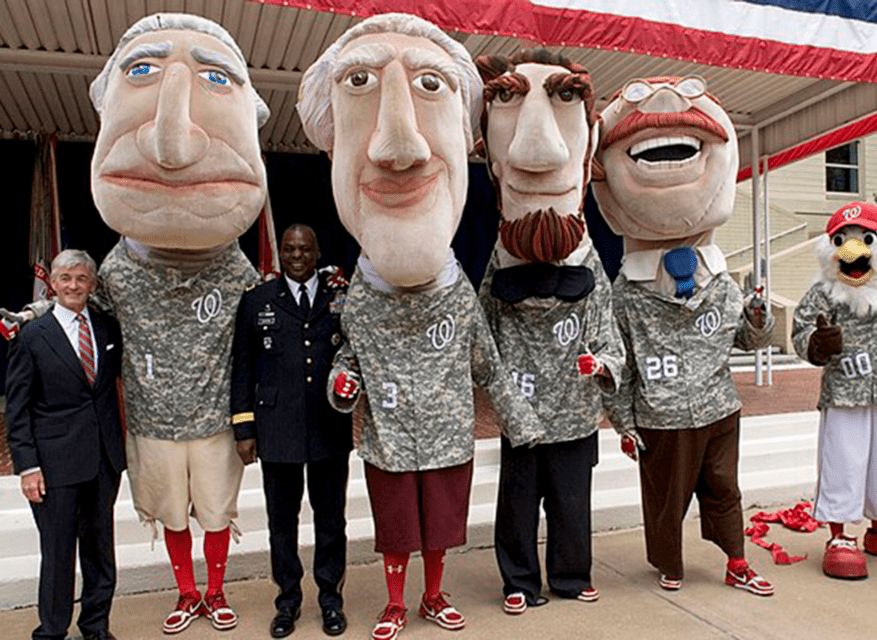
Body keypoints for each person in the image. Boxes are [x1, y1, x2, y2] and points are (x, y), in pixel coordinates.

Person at [4, 13, 271, 634]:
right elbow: (77, 314)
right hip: (150, 423)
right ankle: (185, 593)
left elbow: (269, 320)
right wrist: (37, 316)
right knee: (171, 516)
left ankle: (215, 590)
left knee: (213, 514)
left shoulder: (236, 274)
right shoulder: (116, 273)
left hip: (211, 420)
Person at [297, 13, 541, 640]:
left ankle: (435, 595)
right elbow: (347, 359)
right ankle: (395, 602)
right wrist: (341, 385)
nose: (397, 146)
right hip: (388, 439)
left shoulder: (458, 296)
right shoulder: (361, 298)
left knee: (441, 527)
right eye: (360, 83)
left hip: (446, 435)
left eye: (430, 87)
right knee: (396, 531)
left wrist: (524, 424)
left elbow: (485, 361)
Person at [593, 76, 774, 596]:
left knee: (724, 489)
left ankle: (736, 560)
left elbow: (747, 340)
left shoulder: (720, 280)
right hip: (661, 414)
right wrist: (623, 423)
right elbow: (615, 361)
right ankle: (670, 562)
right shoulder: (624, 293)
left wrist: (759, 317)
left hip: (719, 406)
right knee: (665, 500)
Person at [474, 48, 625, 614]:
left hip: (574, 413)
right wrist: (501, 394)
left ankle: (569, 573)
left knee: (570, 501)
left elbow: (608, 336)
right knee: (516, 503)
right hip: (523, 411)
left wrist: (604, 366)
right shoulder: (499, 262)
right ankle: (518, 580)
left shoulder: (588, 263)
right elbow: (482, 334)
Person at [791, 202, 877, 579]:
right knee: (843, 463)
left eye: (865, 239)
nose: (853, 251)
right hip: (844, 395)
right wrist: (817, 344)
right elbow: (801, 333)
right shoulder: (824, 294)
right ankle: (839, 535)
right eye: (842, 241)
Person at [230, 224, 352, 638]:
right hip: (276, 428)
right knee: (282, 522)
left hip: (328, 427)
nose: (296, 255)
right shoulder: (257, 300)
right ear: (280, 252)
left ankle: (330, 600)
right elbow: (242, 365)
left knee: (331, 519)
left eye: (304, 248)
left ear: (317, 253)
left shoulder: (340, 298)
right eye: (289, 249)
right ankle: (287, 602)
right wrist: (243, 427)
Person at [5, 250, 125, 640]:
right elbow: (18, 409)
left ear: (92, 284)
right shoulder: (31, 336)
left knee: (100, 555)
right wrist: (27, 466)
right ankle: (52, 631)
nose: (74, 286)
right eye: (66, 278)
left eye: (81, 278)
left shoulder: (107, 328)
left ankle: (96, 627)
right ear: (52, 283)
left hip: (103, 462)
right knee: (57, 556)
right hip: (53, 466)